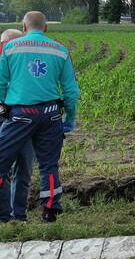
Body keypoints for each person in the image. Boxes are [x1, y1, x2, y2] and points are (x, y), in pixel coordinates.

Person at [0, 12, 79, 222]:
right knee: (48, 165)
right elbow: (71, 91)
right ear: (46, 28)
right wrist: (70, 118)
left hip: (20, 114)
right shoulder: (61, 51)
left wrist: (2, 109)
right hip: (51, 115)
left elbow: (0, 83)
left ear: (23, 27)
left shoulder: (10, 48)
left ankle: (4, 215)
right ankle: (50, 210)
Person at [0, 28, 34, 223]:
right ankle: (4, 216)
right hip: (5, 123)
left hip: (26, 125)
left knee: (25, 170)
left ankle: (19, 216)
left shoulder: (26, 66)